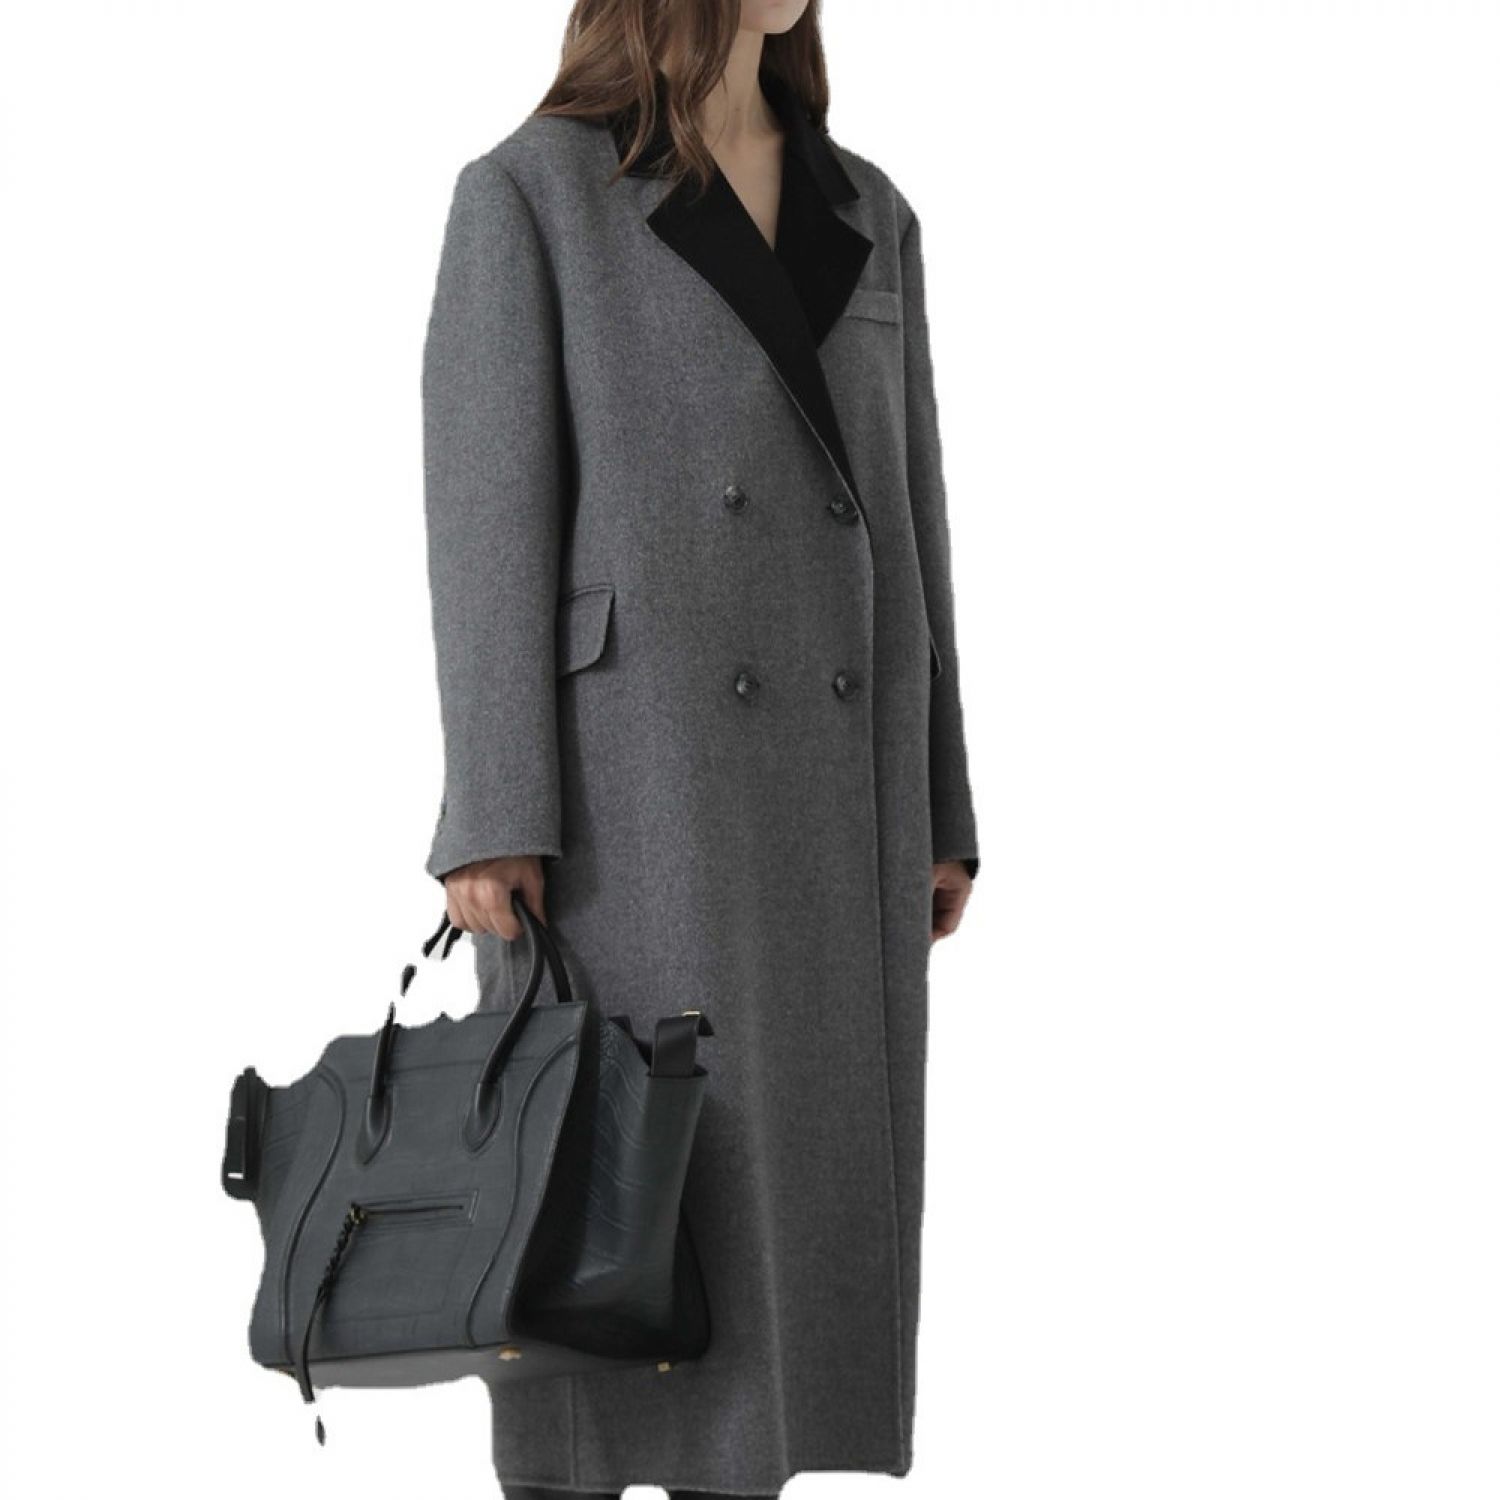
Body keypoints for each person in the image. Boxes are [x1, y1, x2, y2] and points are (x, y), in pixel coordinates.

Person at [420, 2, 979, 1495]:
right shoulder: (535, 193)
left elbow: (911, 520)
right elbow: (485, 516)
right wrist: (495, 806)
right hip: (634, 792)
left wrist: (940, 797)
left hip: (838, 790)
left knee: (778, 1225)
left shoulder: (871, 210)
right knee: (627, 1192)